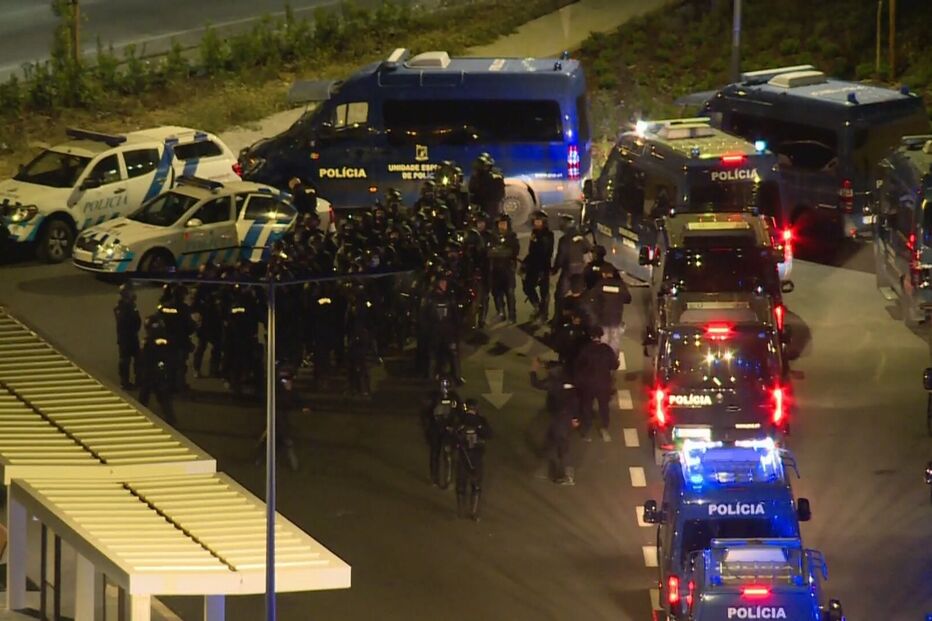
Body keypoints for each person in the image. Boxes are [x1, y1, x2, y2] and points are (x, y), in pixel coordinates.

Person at [530, 357, 579, 485]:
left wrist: (534, 370)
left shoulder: (553, 383)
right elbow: (576, 400)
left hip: (560, 418)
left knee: (562, 446)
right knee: (552, 436)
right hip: (566, 415)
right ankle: (544, 453)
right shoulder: (569, 379)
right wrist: (575, 417)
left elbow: (536, 384)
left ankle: (565, 475)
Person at [574, 326, 620, 442]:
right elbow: (614, 365)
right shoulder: (606, 349)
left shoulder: (585, 349)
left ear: (591, 337)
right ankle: (604, 429)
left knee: (587, 407)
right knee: (604, 407)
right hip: (603, 384)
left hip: (588, 385)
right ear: (601, 336)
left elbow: (578, 365)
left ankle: (585, 431)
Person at [255, 365, 303, 472]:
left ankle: (264, 460)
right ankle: (262, 460)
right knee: (276, 442)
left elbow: (295, 400)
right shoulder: (276, 389)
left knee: (282, 442)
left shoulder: (289, 390)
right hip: (277, 420)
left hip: (282, 421)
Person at [452, 398, 492, 520]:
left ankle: (464, 511)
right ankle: (469, 512)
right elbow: (489, 434)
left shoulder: (463, 420)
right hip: (472, 456)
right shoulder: (477, 420)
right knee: (472, 485)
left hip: (468, 456)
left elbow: (453, 435)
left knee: (465, 485)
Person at [581, 263, 632, 356]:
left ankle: (603, 360)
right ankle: (613, 359)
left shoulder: (600, 284)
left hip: (603, 318)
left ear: (603, 274)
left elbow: (589, 298)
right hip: (616, 319)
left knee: (603, 343)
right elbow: (628, 299)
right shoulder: (620, 285)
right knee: (614, 343)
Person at [422, 377, 463, 487]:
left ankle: (448, 479)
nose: (445, 388)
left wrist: (456, 427)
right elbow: (425, 413)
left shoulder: (454, 397)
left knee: (448, 454)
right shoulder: (433, 397)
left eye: (447, 385)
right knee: (435, 454)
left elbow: (460, 413)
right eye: (443, 385)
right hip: (435, 429)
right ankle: (434, 478)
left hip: (448, 430)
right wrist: (427, 428)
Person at [422, 273, 463, 383]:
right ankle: (431, 378)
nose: (444, 284)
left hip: (447, 333)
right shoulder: (430, 299)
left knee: (453, 354)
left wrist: (456, 331)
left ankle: (457, 377)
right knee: (433, 356)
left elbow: (455, 316)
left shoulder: (449, 297)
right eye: (442, 282)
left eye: (445, 282)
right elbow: (424, 317)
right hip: (435, 333)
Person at [552, 215, 592, 321]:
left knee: (560, 295)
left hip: (569, 270)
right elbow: (589, 249)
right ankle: (578, 316)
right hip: (580, 269)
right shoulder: (581, 237)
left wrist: (555, 269)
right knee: (579, 293)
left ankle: (558, 318)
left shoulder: (564, 240)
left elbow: (561, 256)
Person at [138, 313, 176, 425]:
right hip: (156, 370)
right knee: (162, 396)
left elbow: (144, 356)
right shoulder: (160, 338)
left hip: (152, 371)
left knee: (149, 395)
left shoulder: (150, 340)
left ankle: (140, 414)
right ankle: (170, 418)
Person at [521, 210, 554, 321]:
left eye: (539, 221)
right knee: (527, 287)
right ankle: (537, 307)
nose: (536, 223)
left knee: (544, 292)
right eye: (535, 221)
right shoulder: (534, 233)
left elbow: (546, 254)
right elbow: (532, 251)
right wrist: (525, 263)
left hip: (543, 267)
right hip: (533, 265)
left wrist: (543, 271)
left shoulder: (548, 235)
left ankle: (544, 314)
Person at [488, 213, 520, 323]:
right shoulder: (492, 237)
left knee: (510, 293)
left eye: (504, 224)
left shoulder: (512, 237)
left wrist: (499, 251)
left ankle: (512, 315)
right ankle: (501, 312)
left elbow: (514, 251)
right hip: (495, 269)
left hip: (508, 270)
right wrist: (499, 252)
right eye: (500, 224)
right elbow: (489, 252)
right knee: (496, 293)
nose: (502, 226)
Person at [113, 283, 141, 390]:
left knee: (138, 358)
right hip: (125, 337)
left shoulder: (131, 305)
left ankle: (139, 380)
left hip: (132, 336)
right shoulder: (121, 307)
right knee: (125, 360)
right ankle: (124, 382)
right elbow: (125, 321)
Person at [468, 153, 505, 219]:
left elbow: (500, 194)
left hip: (492, 207)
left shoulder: (496, 176)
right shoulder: (476, 176)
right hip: (479, 206)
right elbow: (471, 190)